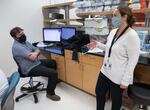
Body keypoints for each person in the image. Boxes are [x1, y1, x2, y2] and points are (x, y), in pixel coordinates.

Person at [88, 6, 140, 110]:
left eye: (115, 16)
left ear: (124, 17)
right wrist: (97, 44)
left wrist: (125, 80)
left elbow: (133, 61)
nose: (113, 18)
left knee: (116, 100)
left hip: (118, 75)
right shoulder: (113, 32)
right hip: (105, 70)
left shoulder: (132, 36)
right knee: (99, 92)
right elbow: (109, 48)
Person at [10, 27, 61, 101]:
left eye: (22, 33)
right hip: (29, 68)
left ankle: (52, 81)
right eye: (20, 34)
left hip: (36, 62)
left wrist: (35, 53)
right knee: (53, 73)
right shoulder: (17, 47)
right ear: (14, 37)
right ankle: (50, 93)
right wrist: (35, 53)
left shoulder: (25, 42)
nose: (23, 35)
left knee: (52, 62)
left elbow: (36, 49)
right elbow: (33, 57)